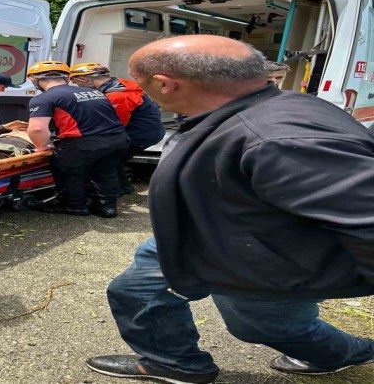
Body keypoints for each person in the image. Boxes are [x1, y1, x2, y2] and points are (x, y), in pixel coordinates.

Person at [86, 35, 374, 383]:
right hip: (206, 232)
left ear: (164, 84)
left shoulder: (279, 139)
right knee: (135, 290)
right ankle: (176, 363)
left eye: (140, 83)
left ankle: (345, 352)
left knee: (263, 325)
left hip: (262, 257)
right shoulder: (253, 106)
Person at [26, 61, 130, 217]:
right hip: (118, 139)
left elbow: (37, 129)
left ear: (34, 79)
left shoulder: (44, 98)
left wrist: (42, 147)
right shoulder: (93, 92)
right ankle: (107, 207)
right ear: (67, 77)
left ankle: (75, 206)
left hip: (85, 142)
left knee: (67, 171)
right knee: (106, 171)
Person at [69, 62, 165, 194]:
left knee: (107, 159)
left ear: (85, 79)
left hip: (141, 134)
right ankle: (124, 187)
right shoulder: (121, 84)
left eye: (76, 82)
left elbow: (115, 124)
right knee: (115, 159)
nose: (78, 87)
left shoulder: (117, 96)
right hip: (149, 130)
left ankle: (114, 192)